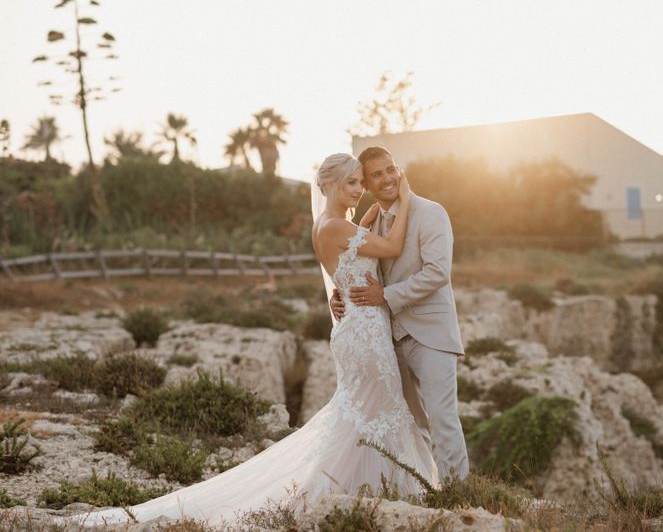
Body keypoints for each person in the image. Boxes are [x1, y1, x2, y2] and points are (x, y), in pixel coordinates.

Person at [55, 153, 437, 528]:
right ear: (329, 185)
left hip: (356, 327)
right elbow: (390, 248)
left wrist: (372, 220)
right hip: (365, 335)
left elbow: (363, 240)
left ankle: (370, 492)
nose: (361, 190)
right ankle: (369, 495)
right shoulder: (336, 227)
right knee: (379, 414)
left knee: (370, 415)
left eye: (360, 182)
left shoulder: (327, 224)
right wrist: (405, 197)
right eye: (352, 183)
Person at [330, 146, 469, 481]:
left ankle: (460, 499)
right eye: (376, 174)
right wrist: (340, 296)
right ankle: (427, 489)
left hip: (431, 333)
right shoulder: (369, 223)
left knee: (442, 419)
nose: (387, 178)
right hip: (387, 338)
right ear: (366, 184)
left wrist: (386, 296)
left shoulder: (431, 212)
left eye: (391, 169)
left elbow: (438, 272)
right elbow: (357, 268)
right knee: (411, 424)